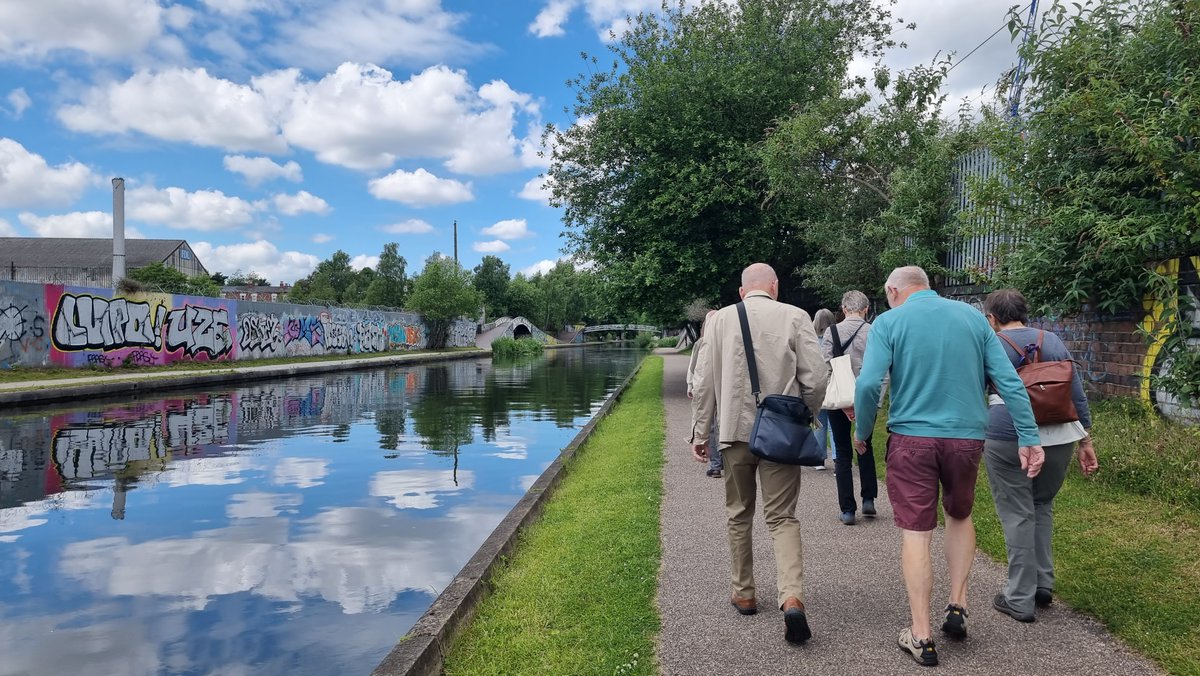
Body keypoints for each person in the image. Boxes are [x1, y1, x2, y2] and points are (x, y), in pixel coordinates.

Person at [853, 266, 1045, 667]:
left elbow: (869, 384)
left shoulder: (889, 322)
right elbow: (1008, 380)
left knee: (916, 532)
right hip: (966, 438)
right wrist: (1028, 436)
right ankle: (958, 604)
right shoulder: (974, 318)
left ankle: (921, 634)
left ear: (892, 290)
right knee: (959, 515)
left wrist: (864, 432)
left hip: (912, 439)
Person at [690, 263, 828, 645]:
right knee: (782, 517)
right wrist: (808, 416)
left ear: (741, 291)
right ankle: (792, 598)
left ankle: (745, 592)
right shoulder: (795, 316)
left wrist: (701, 432)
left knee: (738, 515)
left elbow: (703, 383)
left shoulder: (718, 322)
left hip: (734, 432)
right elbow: (816, 377)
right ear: (775, 287)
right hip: (781, 433)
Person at [982, 289, 1099, 622]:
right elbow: (1076, 393)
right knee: (1041, 505)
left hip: (1007, 436)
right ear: (1025, 312)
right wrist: (1085, 440)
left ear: (992, 318)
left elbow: (977, 391)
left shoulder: (993, 345)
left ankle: (1019, 597)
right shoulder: (1054, 341)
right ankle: (1043, 584)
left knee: (1016, 512)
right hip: (1060, 436)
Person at [820, 290, 877, 525]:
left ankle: (847, 509)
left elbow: (824, 368)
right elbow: (881, 371)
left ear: (844, 309)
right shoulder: (874, 332)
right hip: (866, 397)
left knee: (842, 452)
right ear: (865, 309)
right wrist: (875, 402)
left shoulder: (831, 332)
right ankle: (868, 499)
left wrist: (843, 404)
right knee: (865, 445)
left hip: (839, 399)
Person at [687, 309, 722, 478]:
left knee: (715, 427)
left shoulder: (704, 343)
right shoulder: (702, 343)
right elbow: (694, 368)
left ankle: (716, 464)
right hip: (719, 391)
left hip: (714, 390)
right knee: (717, 426)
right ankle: (718, 463)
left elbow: (695, 370)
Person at [811, 308, 839, 471]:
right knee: (834, 425)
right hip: (834, 384)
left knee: (819, 423)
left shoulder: (811, 340)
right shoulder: (836, 336)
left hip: (818, 386)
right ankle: (837, 458)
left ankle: (819, 458)